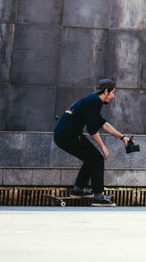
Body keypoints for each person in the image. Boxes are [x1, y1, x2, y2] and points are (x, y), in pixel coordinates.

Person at [53, 78, 131, 207]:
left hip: (64, 134)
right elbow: (92, 128)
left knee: (91, 158)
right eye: (112, 92)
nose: (113, 96)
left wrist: (122, 137)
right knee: (97, 158)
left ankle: (78, 190)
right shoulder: (95, 101)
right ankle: (98, 197)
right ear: (106, 91)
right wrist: (103, 147)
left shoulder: (91, 100)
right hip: (68, 135)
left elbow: (103, 124)